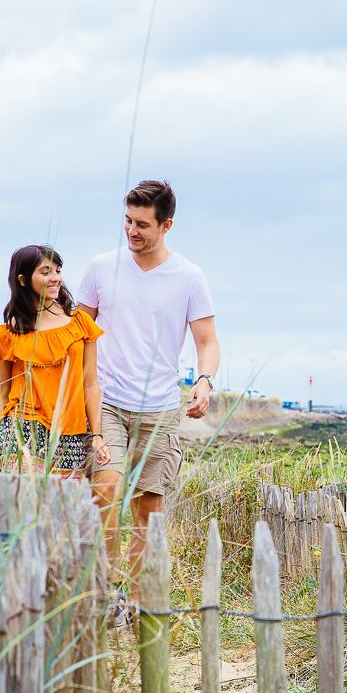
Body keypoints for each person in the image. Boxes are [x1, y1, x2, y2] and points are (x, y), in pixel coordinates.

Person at [76, 180, 220, 605]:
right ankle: (105, 595)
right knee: (105, 490)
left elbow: (207, 341)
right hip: (106, 402)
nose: (131, 230)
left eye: (142, 224)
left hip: (159, 409)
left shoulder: (189, 277)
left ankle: (136, 604)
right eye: (127, 221)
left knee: (148, 511)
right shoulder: (101, 268)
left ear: (166, 225)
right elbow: (76, 334)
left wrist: (204, 381)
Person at [0, 244, 111, 475]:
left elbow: (90, 384)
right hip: (21, 426)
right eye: (45, 272)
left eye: (58, 271)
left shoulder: (80, 323)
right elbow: (2, 392)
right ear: (23, 280)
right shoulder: (7, 333)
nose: (55, 278)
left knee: (64, 496)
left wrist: (97, 435)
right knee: (20, 495)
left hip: (70, 430)